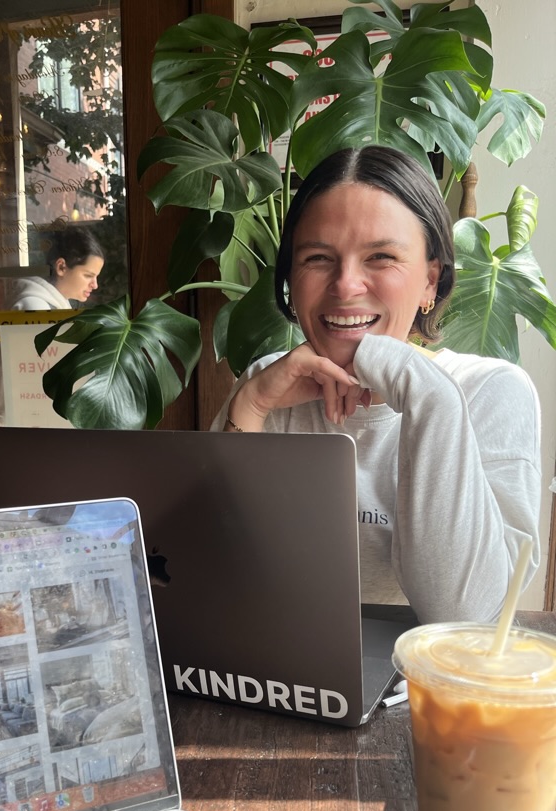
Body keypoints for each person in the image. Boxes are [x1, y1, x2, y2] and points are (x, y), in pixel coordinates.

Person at [212, 146, 542, 625]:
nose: (345, 285)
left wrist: (429, 397)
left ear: (431, 281)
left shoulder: (492, 393)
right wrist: (251, 404)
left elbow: (461, 614)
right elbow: (217, 573)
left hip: (425, 694)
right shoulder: (270, 383)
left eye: (382, 256)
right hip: (281, 682)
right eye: (318, 258)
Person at [10, 225, 104, 310]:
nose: (95, 285)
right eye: (88, 275)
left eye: (96, 276)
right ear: (61, 267)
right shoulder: (36, 308)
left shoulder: (56, 305)